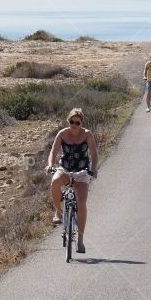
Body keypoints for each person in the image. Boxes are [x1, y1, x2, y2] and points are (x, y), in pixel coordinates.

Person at [46, 108, 98, 254]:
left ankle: (80, 241)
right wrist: (50, 164)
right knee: (55, 182)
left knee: (81, 204)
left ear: (81, 123)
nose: (74, 125)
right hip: (65, 168)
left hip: (82, 171)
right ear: (68, 121)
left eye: (77, 122)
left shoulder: (87, 135)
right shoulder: (62, 134)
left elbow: (93, 154)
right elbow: (53, 152)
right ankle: (58, 211)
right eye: (71, 122)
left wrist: (94, 169)